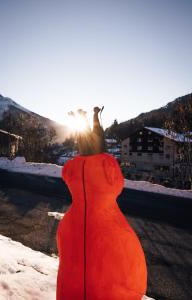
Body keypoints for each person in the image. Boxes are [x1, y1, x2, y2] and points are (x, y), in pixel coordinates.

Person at [56, 107, 147, 300]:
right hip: (105, 233)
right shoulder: (108, 170)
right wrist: (94, 117)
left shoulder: (71, 171)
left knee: (72, 278)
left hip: (72, 228)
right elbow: (117, 184)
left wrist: (83, 118)